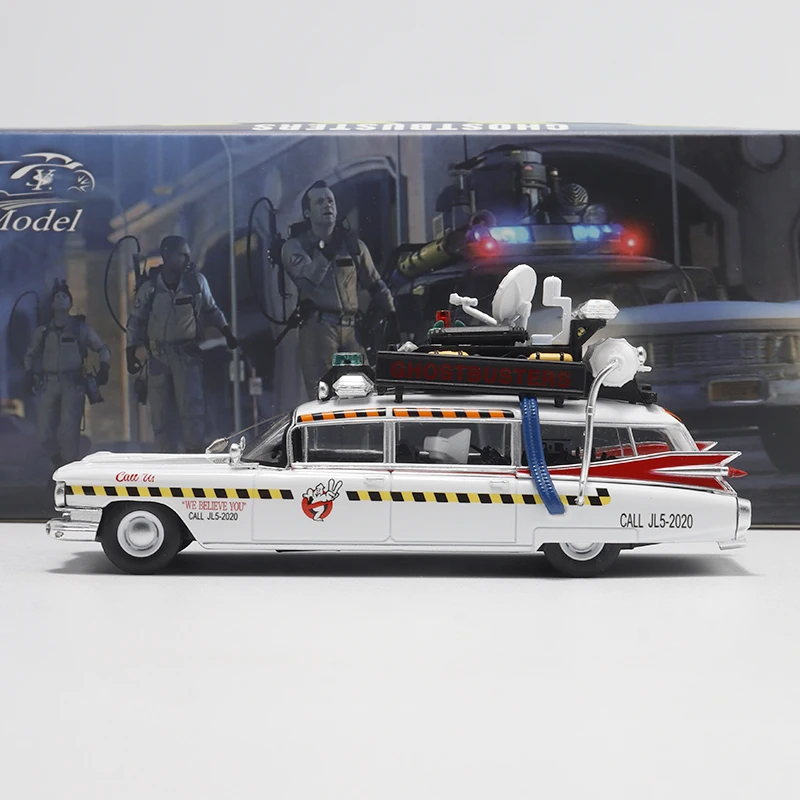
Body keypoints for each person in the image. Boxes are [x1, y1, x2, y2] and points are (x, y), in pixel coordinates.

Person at [281, 180, 398, 399]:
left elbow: (375, 283)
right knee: (324, 398)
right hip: (319, 330)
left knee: (364, 396)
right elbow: (308, 281)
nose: (327, 205)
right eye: (319, 202)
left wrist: (392, 315)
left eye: (330, 200)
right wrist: (327, 252)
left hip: (351, 330)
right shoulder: (295, 247)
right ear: (307, 213)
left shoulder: (353, 246)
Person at [126, 235, 238, 453]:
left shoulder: (196, 283)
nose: (187, 259)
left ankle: (193, 456)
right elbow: (136, 321)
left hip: (186, 356)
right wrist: (130, 351)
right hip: (158, 357)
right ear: (167, 255)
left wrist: (226, 331)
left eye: (188, 255)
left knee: (192, 411)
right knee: (160, 414)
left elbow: (212, 309)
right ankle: (164, 458)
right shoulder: (150, 288)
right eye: (181, 255)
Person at [24, 278, 110, 469]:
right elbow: (30, 354)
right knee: (45, 432)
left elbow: (102, 348)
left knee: (69, 431)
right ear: (52, 304)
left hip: (73, 384)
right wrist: (29, 373)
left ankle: (66, 471)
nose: (61, 299)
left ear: (71, 303)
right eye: (57, 296)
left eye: (64, 296)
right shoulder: (42, 332)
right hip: (49, 383)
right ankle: (58, 463)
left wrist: (104, 366)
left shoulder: (80, 329)